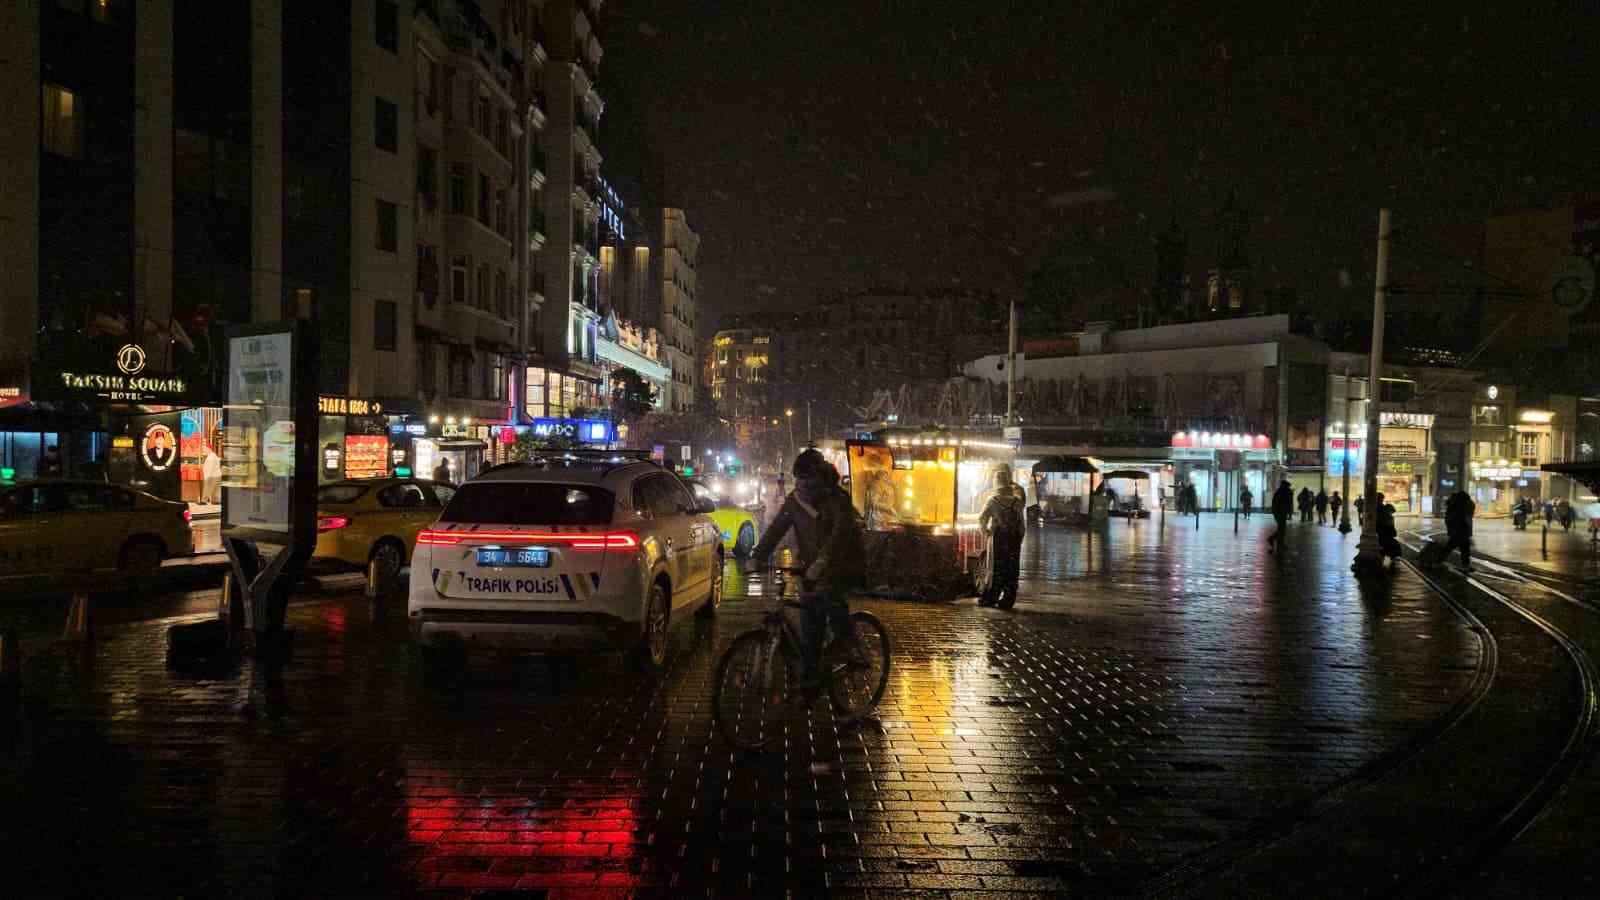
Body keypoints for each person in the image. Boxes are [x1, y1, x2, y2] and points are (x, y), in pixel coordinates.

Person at [750, 449, 867, 680]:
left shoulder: (836, 499)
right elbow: (776, 529)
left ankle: (849, 644)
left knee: (830, 599)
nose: (802, 485)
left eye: (808, 480)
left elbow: (839, 537)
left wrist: (821, 564)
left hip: (843, 563)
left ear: (819, 477)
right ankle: (811, 677)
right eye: (799, 480)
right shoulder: (795, 501)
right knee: (809, 626)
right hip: (811, 567)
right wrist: (758, 556)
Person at [978, 464, 1026, 609]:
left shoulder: (992, 501)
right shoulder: (1017, 502)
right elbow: (1021, 524)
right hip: (1013, 539)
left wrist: (986, 533)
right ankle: (1008, 599)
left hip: (998, 537)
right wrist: (1019, 539)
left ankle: (990, 598)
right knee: (1011, 568)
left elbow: (982, 519)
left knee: (995, 568)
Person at [1442, 488, 1475, 571]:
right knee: (1452, 547)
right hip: (1460, 531)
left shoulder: (1456, 505)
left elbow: (1449, 519)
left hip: (1459, 531)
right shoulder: (1460, 506)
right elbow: (1463, 518)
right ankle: (1437, 560)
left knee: (1457, 547)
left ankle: (1465, 565)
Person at [1376, 494, 1403, 565]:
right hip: (1385, 529)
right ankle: (1389, 559)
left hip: (1384, 529)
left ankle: (1386, 560)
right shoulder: (1385, 507)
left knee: (1385, 544)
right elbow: (1393, 511)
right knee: (1387, 544)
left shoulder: (1382, 507)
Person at [1268, 479, 1294, 553]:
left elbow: (1288, 503)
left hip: (1280, 512)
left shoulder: (1281, 492)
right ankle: (1277, 542)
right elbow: (1286, 503)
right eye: (1287, 486)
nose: (1288, 487)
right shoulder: (1282, 493)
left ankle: (1277, 541)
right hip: (1280, 512)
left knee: (1282, 529)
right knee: (1281, 528)